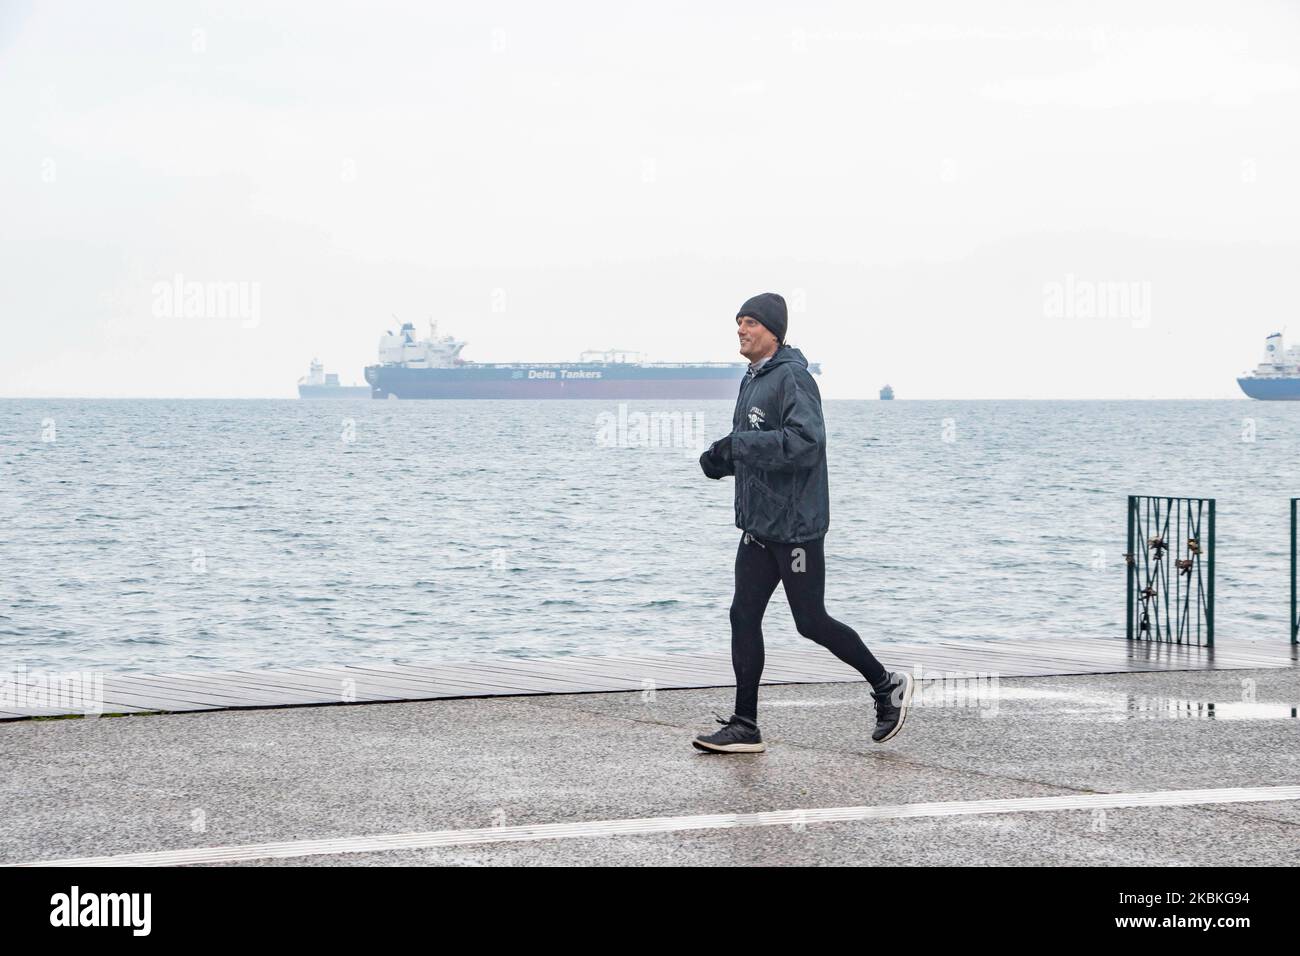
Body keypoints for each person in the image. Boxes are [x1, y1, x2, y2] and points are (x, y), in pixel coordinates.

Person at [693, 292, 913, 753]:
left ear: (774, 331)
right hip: (758, 526)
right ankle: (745, 725)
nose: (740, 330)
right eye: (737, 322)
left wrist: (738, 447)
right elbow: (757, 443)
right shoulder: (753, 379)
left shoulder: (792, 377)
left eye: (750, 322)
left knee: (810, 621)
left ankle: (886, 683)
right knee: (742, 616)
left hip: (794, 531)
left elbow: (805, 443)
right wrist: (723, 458)